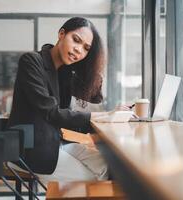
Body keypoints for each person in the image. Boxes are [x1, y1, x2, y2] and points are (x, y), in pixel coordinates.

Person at [8, 17, 128, 182]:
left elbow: (94, 97)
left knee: (111, 166)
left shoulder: (64, 71)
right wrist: (105, 116)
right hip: (30, 150)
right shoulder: (31, 61)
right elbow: (51, 113)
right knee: (98, 178)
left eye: (86, 49)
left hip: (54, 144)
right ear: (61, 34)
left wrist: (90, 66)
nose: (79, 50)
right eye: (76, 40)